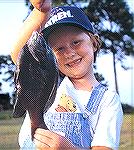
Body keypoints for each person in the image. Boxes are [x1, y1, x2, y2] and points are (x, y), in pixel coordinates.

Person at [11, 0, 123, 149]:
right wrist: (41, 13)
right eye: (59, 49)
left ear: (94, 43)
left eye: (76, 42)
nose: (69, 53)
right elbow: (19, 53)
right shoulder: (49, 82)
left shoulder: (108, 100)